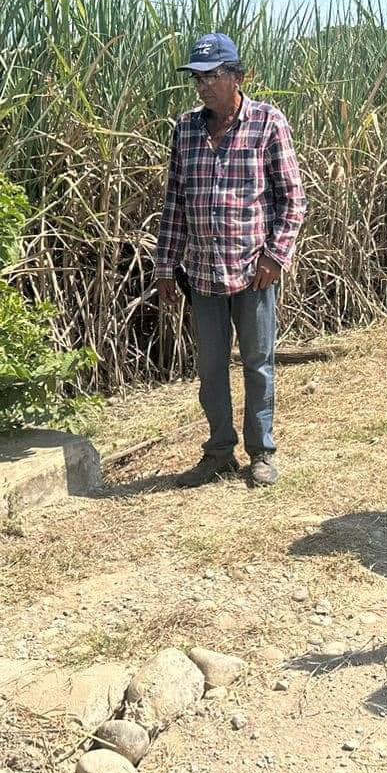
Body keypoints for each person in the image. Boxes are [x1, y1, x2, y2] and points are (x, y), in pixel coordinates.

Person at [154, 33, 308, 487]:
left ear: (238, 77)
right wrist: (166, 265)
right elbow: (175, 203)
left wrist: (275, 257)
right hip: (201, 273)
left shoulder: (267, 122)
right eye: (197, 77)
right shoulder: (185, 129)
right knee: (210, 366)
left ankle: (261, 452)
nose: (202, 85)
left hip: (254, 271)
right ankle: (219, 451)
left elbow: (293, 200)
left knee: (258, 363)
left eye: (212, 76)